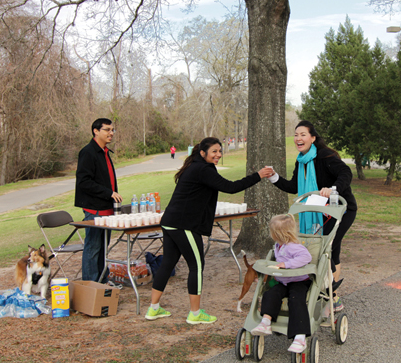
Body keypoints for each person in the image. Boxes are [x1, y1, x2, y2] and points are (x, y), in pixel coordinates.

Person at [145, 137, 274, 323]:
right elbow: (231, 187)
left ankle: (153, 308)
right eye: (214, 151)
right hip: (184, 225)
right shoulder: (202, 169)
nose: (218, 155)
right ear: (203, 153)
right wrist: (258, 175)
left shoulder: (196, 167)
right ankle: (195, 314)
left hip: (171, 222)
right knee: (196, 266)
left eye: (220, 151)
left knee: (167, 264)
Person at [267, 120, 357, 312]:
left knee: (328, 249)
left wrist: (332, 189)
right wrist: (274, 177)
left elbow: (345, 173)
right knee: (326, 249)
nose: (298, 138)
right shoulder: (301, 161)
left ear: (313, 138)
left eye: (303, 134)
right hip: (317, 211)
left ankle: (332, 298)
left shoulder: (324, 156)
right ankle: (324, 292)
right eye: (296, 135)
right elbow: (294, 187)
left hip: (340, 210)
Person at [250, 214, 313, 353]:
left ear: (277, 234)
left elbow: (306, 257)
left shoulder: (292, 247)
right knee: (271, 294)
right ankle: (266, 321)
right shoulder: (278, 246)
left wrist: (287, 264)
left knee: (296, 300)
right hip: (284, 281)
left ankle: (300, 336)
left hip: (299, 281)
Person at [75, 118, 123, 282]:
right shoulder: (88, 152)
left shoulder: (105, 152)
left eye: (112, 130)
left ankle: (102, 282)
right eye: (107, 130)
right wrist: (108, 192)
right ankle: (90, 286)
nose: (111, 133)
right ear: (96, 131)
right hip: (94, 210)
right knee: (93, 248)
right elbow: (84, 182)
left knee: (103, 249)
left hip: (107, 209)